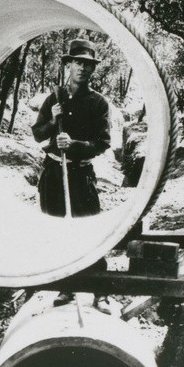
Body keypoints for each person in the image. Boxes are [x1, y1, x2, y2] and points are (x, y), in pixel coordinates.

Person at [31, 38, 112, 313]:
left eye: (88, 65)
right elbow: (37, 133)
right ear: (69, 65)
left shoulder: (98, 103)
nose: (83, 69)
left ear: (93, 70)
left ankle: (101, 293)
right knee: (57, 229)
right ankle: (67, 287)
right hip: (53, 171)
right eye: (78, 63)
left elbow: (103, 143)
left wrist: (75, 145)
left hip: (80, 174)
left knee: (89, 229)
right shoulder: (53, 98)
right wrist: (53, 121)